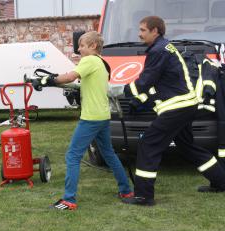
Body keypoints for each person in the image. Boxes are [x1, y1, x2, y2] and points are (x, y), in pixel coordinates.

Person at [122, 16, 225, 206]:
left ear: (155, 31)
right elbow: (161, 83)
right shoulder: (165, 48)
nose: (139, 33)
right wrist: (140, 99)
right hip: (186, 105)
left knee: (149, 144)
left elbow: (146, 80)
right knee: (187, 146)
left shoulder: (158, 51)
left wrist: (125, 91)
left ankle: (144, 196)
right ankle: (220, 181)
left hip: (176, 108)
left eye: (143, 30)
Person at [40, 31, 134, 210]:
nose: (78, 48)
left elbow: (70, 77)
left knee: (73, 156)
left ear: (93, 46)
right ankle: (126, 191)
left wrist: (49, 80)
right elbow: (79, 83)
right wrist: (54, 81)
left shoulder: (89, 60)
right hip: (103, 116)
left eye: (82, 45)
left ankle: (69, 200)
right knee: (109, 154)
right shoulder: (102, 64)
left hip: (90, 118)